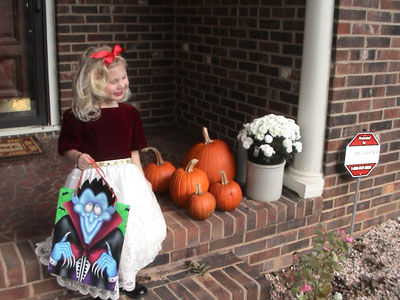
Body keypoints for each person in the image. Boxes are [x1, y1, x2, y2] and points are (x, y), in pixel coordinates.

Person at [35, 44, 167, 300]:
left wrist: (142, 179)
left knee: (128, 233)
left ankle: (128, 280)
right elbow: (67, 147)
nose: (121, 85)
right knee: (95, 235)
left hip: (127, 179)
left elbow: (134, 150)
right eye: (112, 81)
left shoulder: (130, 114)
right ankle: (101, 282)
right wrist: (77, 157)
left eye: (123, 78)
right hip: (95, 181)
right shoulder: (79, 115)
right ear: (95, 83)